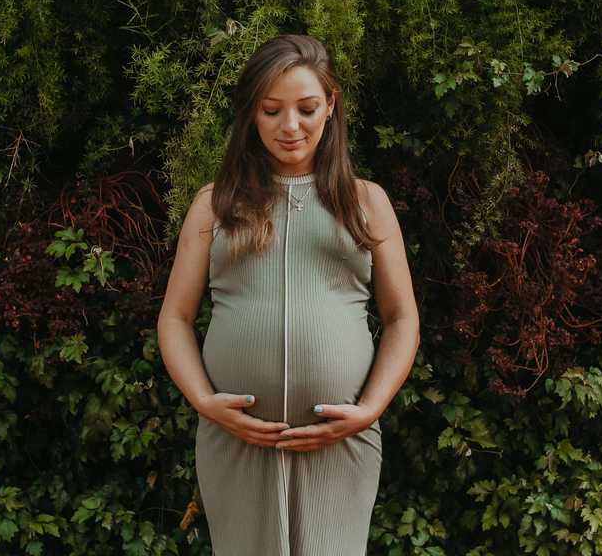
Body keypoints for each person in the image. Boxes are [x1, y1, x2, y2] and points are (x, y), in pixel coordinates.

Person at [158, 34, 420, 556]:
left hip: (339, 446)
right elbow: (175, 318)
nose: (290, 126)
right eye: (272, 110)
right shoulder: (214, 205)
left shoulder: (367, 202)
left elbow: (401, 318)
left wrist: (369, 410)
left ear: (331, 106)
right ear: (253, 113)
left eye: (306, 108)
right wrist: (206, 404)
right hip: (234, 444)